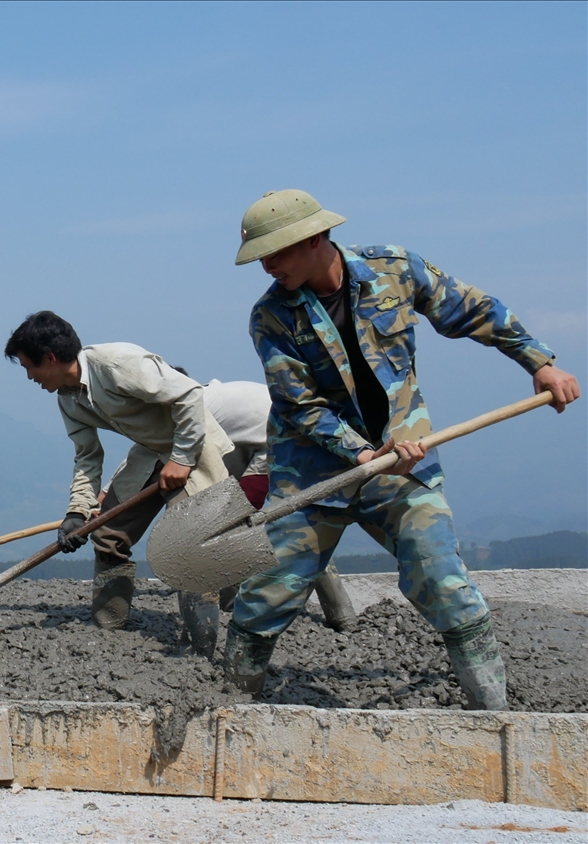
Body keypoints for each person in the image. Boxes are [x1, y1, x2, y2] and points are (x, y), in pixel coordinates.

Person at [226, 189, 580, 710]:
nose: (268, 268)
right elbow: (302, 406)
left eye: (276, 253)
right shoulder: (272, 318)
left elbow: (471, 309)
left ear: (315, 238)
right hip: (314, 473)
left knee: (441, 576)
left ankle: (498, 717)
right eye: (262, 258)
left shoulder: (393, 269)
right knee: (271, 592)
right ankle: (228, 705)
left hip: (403, 460)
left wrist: (538, 361)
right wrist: (363, 454)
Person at [4, 311, 234, 659]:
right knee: (107, 532)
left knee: (191, 543)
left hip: (192, 447)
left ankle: (200, 648)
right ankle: (108, 627)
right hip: (148, 452)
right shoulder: (68, 398)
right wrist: (77, 512)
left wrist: (182, 458)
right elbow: (87, 456)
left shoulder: (116, 363)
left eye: (28, 367)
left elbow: (189, 395)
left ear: (50, 358)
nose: (29, 376)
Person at [168, 369, 358, 630]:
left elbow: (147, 460)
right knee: (297, 525)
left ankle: (239, 606)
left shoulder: (192, 407)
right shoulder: (219, 398)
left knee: (241, 523)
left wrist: (107, 494)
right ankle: (342, 615)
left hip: (281, 442)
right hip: (292, 437)